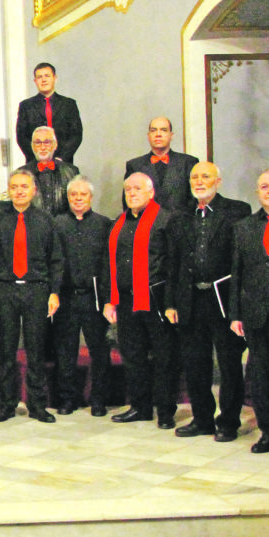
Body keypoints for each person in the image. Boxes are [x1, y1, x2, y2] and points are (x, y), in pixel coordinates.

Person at [169, 162, 251, 442]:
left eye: (205, 176)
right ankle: (202, 419)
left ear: (218, 181)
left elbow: (242, 262)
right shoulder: (180, 216)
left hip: (224, 300)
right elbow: (174, 263)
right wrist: (171, 302)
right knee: (195, 364)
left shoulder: (237, 211)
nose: (199, 181)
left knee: (229, 365)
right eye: (194, 177)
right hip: (190, 299)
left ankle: (228, 422)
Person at [0, 170, 64, 423]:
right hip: (6, 289)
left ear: (33, 190)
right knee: (7, 350)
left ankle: (37, 405)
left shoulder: (45, 220)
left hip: (36, 288)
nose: (19, 191)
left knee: (35, 350)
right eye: (15, 187)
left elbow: (56, 260)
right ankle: (7, 404)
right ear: (9, 190)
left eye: (24, 187)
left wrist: (54, 292)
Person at [103, 173, 180, 429]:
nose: (132, 193)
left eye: (137, 188)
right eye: (128, 189)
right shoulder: (119, 223)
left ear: (151, 192)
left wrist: (171, 303)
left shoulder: (166, 220)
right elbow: (109, 263)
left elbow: (173, 264)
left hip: (155, 299)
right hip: (125, 300)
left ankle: (166, 411)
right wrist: (109, 300)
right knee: (133, 356)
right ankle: (140, 407)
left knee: (163, 357)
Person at [52, 175, 113, 416]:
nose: (78, 198)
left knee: (99, 351)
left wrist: (109, 298)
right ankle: (68, 399)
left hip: (94, 297)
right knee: (65, 350)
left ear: (91, 197)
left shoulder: (103, 224)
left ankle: (98, 400)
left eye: (83, 194)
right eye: (73, 195)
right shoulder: (56, 223)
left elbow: (109, 264)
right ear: (67, 198)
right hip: (66, 297)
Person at [229, 169, 269, 453]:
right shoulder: (244, 227)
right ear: (257, 191)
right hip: (257, 314)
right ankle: (268, 431)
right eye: (264, 186)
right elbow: (237, 273)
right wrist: (235, 314)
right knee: (261, 375)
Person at [123, 117, 199, 215]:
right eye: (153, 130)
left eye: (163, 130)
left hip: (181, 226)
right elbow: (128, 203)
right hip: (147, 226)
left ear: (171, 135)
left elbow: (195, 200)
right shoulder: (135, 165)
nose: (158, 134)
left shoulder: (188, 162)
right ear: (148, 136)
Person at [15, 62, 83, 164]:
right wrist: (38, 158)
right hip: (35, 164)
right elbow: (22, 137)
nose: (44, 80)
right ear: (35, 81)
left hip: (63, 163)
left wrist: (62, 158)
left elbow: (76, 135)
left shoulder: (68, 104)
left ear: (55, 78)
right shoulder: (26, 106)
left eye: (47, 76)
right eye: (39, 77)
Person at [25, 127, 79, 216]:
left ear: (55, 145)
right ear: (32, 146)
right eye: (38, 143)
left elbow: (79, 206)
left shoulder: (71, 172)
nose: (42, 147)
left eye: (47, 142)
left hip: (63, 227)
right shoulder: (22, 174)